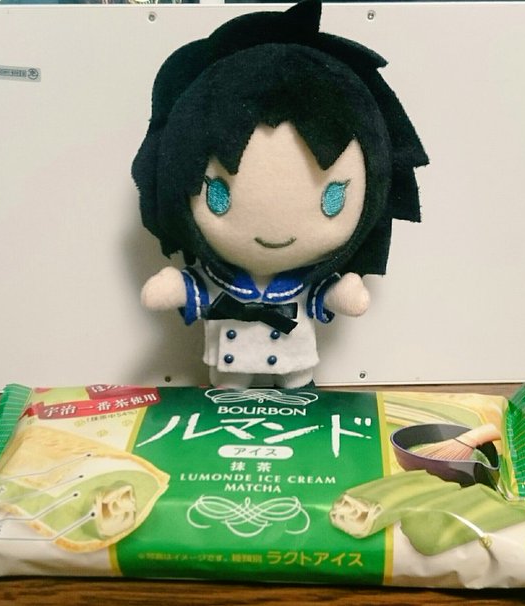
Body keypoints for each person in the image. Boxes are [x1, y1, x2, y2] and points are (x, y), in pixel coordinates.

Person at [132, 0, 428, 388]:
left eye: (332, 201)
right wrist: (175, 287)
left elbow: (326, 295)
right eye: (218, 197)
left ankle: (296, 390)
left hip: (294, 358)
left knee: (300, 393)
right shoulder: (222, 280)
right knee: (227, 397)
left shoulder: (298, 283)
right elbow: (194, 288)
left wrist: (344, 289)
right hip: (231, 364)